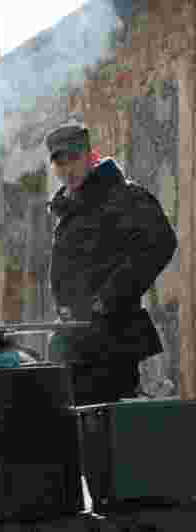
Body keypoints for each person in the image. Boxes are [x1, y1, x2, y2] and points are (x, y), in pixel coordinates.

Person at [45, 122, 178, 406]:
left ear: (90, 157)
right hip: (76, 343)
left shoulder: (123, 196)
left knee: (108, 434)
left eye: (74, 160)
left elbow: (161, 243)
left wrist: (110, 297)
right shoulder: (69, 210)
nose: (67, 170)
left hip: (113, 340)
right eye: (60, 163)